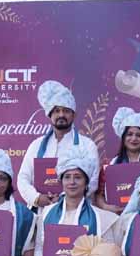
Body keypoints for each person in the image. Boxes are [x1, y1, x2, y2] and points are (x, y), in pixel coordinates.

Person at [17, 80, 101, 209]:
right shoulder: (36, 145)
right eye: (56, 111)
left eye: (66, 111)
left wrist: (63, 199)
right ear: (49, 114)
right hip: (40, 211)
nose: (61, 115)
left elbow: (93, 181)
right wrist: (37, 198)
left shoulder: (87, 146)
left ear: (74, 115)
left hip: (76, 210)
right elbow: (23, 178)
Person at [95, 107, 140, 214]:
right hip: (115, 217)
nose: (133, 139)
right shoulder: (110, 164)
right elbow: (99, 195)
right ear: (123, 137)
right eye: (129, 134)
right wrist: (106, 207)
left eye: (139, 135)